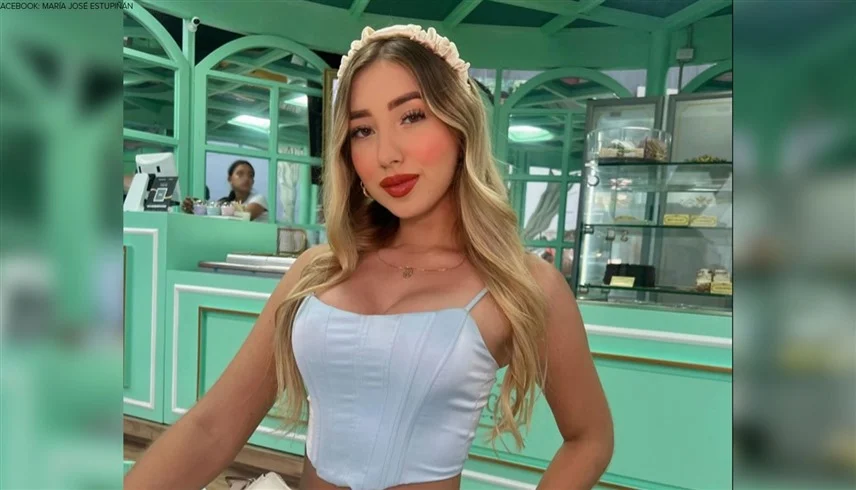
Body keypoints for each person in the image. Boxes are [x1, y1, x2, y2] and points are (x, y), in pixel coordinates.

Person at [125, 25, 613, 490]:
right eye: (363, 130)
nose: (386, 154)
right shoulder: (317, 272)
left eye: (412, 116)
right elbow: (212, 428)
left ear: (460, 126)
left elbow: (590, 438)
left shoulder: (523, 284)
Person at [181, 159, 269, 221]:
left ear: (253, 181)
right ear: (229, 179)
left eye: (250, 175)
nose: (246, 178)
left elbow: (244, 217)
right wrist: (195, 207)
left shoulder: (259, 199)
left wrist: (207, 208)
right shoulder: (226, 202)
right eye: (240, 174)